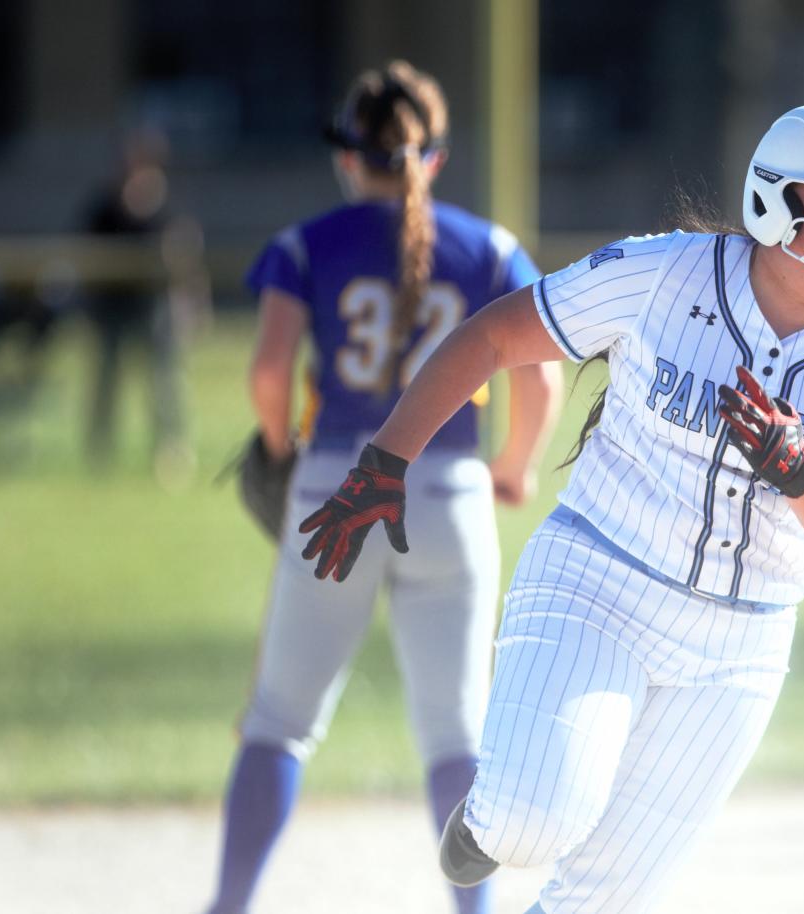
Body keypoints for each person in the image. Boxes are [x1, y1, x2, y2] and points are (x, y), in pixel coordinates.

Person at [298, 103, 804, 914]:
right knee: (531, 824)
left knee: (606, 900)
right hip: (599, 583)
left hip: (740, 645)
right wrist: (386, 460)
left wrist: (802, 473)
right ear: (774, 197)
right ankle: (492, 822)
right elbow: (492, 338)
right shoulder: (665, 272)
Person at [204, 61, 562, 914]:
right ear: (432, 158)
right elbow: (541, 382)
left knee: (281, 722)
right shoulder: (493, 247)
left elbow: (266, 374)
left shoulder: (307, 244)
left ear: (348, 157)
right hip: (451, 494)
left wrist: (283, 445)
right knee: (456, 736)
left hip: (336, 489)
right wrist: (511, 469)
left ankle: (228, 907)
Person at [80, 126, 210, 486]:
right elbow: (88, 253)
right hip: (114, 307)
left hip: (155, 306)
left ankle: (172, 451)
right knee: (106, 380)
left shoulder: (165, 204)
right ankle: (99, 451)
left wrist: (196, 306)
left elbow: (187, 257)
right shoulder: (105, 206)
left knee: (165, 383)